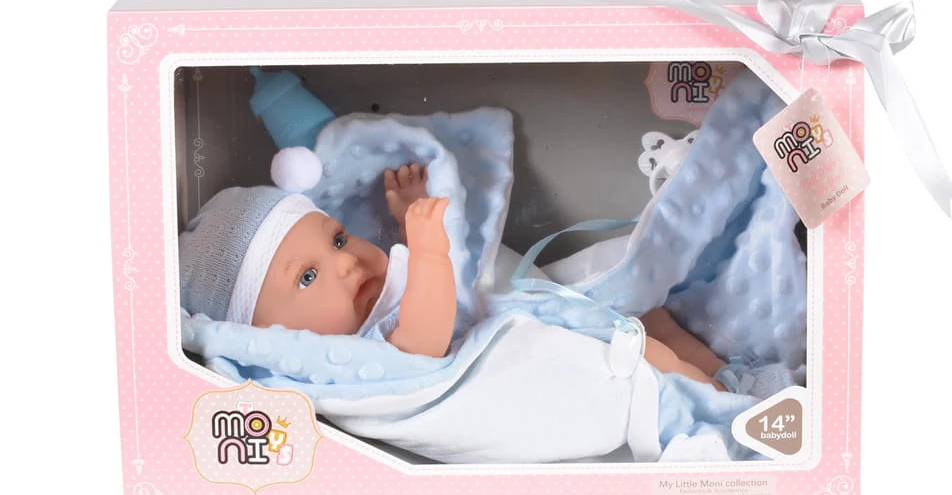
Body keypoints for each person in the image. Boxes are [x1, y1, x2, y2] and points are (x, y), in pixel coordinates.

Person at [180, 163, 728, 391]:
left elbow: (446, 283)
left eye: (338, 239)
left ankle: (718, 368)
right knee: (648, 362)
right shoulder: (358, 358)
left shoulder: (372, 298)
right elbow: (424, 339)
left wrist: (409, 219)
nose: (345, 262)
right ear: (269, 332)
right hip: (547, 358)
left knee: (648, 315)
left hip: (543, 306)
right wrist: (427, 251)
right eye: (306, 278)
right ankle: (717, 400)